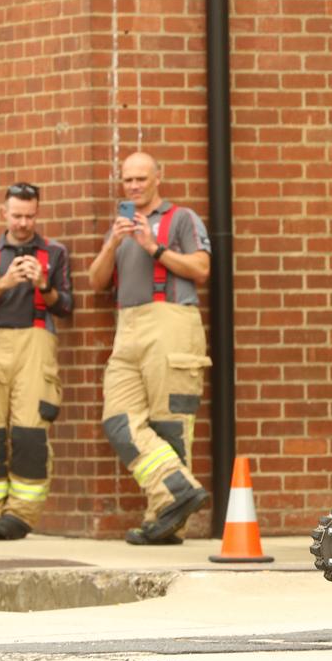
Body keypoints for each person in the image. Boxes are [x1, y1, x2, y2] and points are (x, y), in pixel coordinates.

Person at [87, 152, 212, 545]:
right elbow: (95, 281)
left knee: (169, 424)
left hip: (171, 321)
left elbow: (201, 269)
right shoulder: (121, 225)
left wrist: (153, 245)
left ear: (159, 177)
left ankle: (164, 518)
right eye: (128, 180)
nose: (134, 185)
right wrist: (115, 243)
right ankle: (177, 493)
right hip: (128, 326)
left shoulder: (182, 218)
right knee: (118, 419)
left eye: (141, 178)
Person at [0, 182, 73, 541]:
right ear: (4, 213)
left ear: (37, 213)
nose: (24, 223)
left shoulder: (54, 253)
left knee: (30, 432)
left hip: (36, 341)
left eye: (30, 215)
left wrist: (43, 284)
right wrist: (6, 282)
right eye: (17, 215)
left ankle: (21, 514)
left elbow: (66, 305)